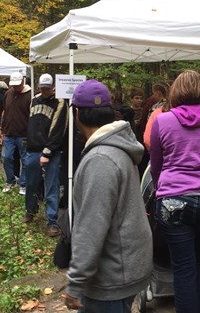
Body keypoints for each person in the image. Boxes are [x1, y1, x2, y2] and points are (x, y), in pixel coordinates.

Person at [64, 79, 152, 312]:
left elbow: (92, 226)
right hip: (127, 264)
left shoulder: (101, 158)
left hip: (112, 275)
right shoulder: (118, 147)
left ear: (78, 114)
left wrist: (76, 282)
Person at [149, 69, 200, 313]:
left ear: (175, 92)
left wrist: (161, 187)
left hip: (174, 199)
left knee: (183, 267)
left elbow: (156, 166)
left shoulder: (163, 120)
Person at [22, 74, 67, 237]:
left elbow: (58, 129)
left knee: (51, 187)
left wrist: (47, 151)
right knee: (31, 183)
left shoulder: (60, 103)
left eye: (48, 88)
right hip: (32, 149)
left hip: (51, 152)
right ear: (39, 86)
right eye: (42, 88)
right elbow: (30, 123)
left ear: (53, 87)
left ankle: (52, 221)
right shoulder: (34, 100)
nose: (45, 91)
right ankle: (30, 210)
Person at [0, 72, 31, 196]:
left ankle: (23, 184)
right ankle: (10, 181)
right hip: (9, 133)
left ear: (23, 82)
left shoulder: (30, 95)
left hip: (24, 134)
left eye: (17, 85)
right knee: (6, 157)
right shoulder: (8, 93)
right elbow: (4, 113)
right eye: (13, 85)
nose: (15, 87)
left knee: (25, 160)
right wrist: (1, 132)